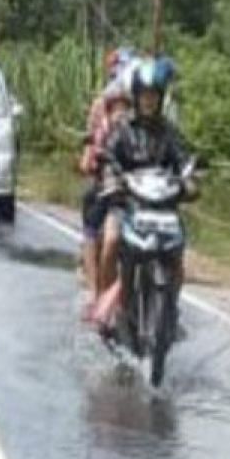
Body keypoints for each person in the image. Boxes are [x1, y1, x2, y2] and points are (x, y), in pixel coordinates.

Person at [97, 56, 197, 315]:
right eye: (144, 95)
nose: (148, 100)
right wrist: (110, 176)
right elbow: (108, 156)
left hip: (162, 208)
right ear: (136, 96)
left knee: (177, 256)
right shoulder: (123, 129)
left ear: (161, 97)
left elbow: (184, 160)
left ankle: (170, 306)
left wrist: (190, 181)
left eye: (153, 95)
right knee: (110, 241)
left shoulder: (170, 132)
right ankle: (105, 304)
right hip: (126, 203)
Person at [79, 48, 137, 295]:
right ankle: (95, 291)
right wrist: (94, 158)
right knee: (93, 224)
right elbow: (91, 147)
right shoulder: (100, 111)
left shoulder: (147, 115)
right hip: (108, 182)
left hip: (139, 185)